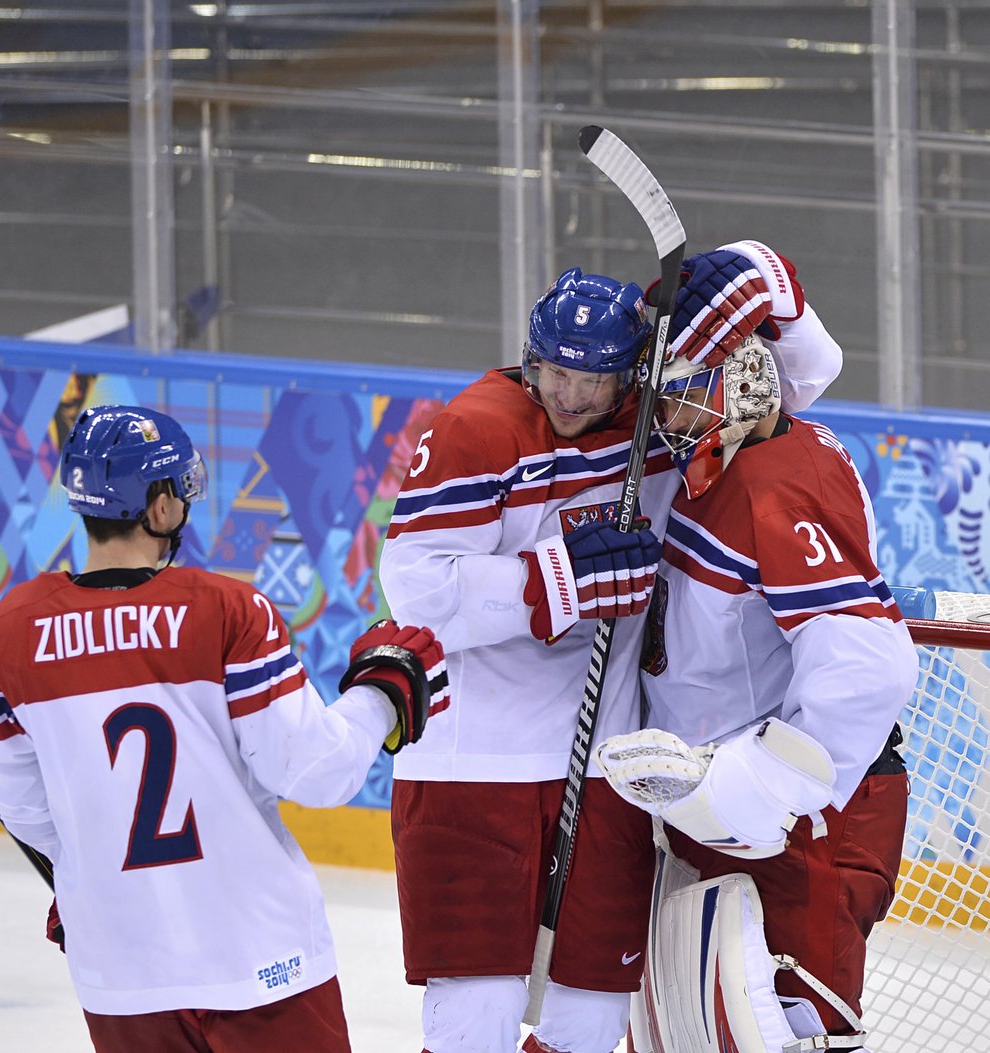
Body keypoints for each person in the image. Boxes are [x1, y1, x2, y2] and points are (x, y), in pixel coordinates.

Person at [378, 243, 844, 1053]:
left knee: (592, 1013)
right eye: (556, 370)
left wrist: (772, 287)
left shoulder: (659, 423)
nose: (571, 392)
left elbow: (793, 382)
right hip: (472, 760)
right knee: (475, 1012)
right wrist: (555, 583)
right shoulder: (474, 428)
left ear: (631, 373)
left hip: (603, 762)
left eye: (594, 376)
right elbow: (414, 584)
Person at [0, 404, 448, 1053]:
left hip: (121, 969)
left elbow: (20, 801)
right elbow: (313, 770)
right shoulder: (226, 610)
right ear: (159, 506)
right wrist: (381, 697)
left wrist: (91, 872)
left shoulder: (4, 635)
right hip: (259, 958)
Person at [595, 266, 919, 1052]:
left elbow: (868, 665)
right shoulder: (724, 455)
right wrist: (758, 273)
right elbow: (801, 367)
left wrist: (767, 788)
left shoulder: (785, 485)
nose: (663, 414)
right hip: (717, 805)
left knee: (793, 1032)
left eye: (681, 391)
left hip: (802, 817)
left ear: (739, 383)